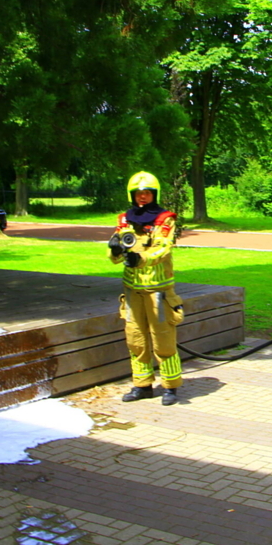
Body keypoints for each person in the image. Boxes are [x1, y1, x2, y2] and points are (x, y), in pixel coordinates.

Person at [108, 171, 184, 406]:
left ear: (154, 194)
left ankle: (170, 387)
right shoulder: (125, 219)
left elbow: (163, 248)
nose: (142, 196)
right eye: (138, 193)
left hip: (157, 291)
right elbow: (115, 255)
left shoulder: (165, 219)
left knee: (163, 339)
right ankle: (142, 386)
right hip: (133, 291)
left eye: (147, 193)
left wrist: (141, 259)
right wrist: (115, 250)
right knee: (135, 339)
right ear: (132, 195)